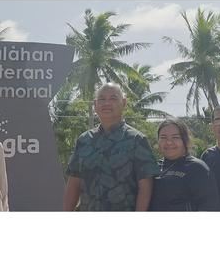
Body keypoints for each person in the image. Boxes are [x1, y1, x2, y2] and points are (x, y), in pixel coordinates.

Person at [63, 83, 159, 211]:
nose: (107, 103)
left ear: (123, 103)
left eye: (113, 98)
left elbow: (145, 187)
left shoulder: (137, 140)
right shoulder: (84, 140)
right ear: (95, 105)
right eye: (102, 99)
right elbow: (74, 182)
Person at [149, 118, 220, 211]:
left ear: (185, 140)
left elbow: (210, 207)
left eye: (175, 137)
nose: (169, 142)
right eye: (163, 137)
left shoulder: (197, 168)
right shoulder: (154, 167)